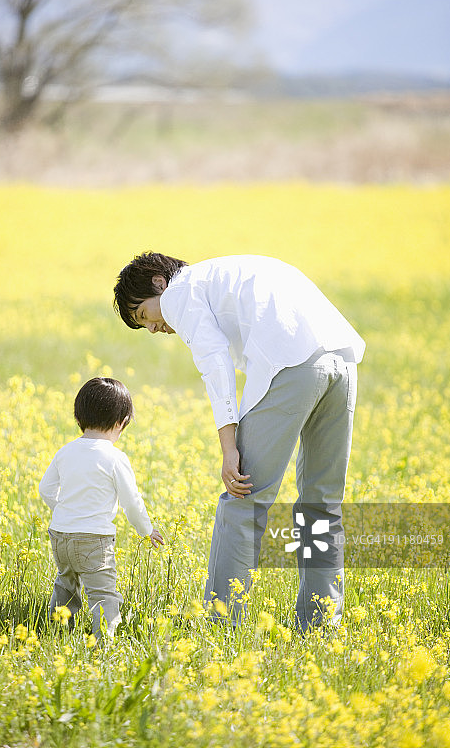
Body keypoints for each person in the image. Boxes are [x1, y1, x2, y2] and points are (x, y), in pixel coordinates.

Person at [113, 253, 365, 633]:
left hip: (292, 365)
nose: (152, 328)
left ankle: (221, 622)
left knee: (242, 499)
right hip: (341, 362)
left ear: (157, 283)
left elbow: (215, 364)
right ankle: (321, 624)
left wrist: (229, 448)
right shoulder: (223, 273)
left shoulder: (181, 292)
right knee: (322, 504)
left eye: (144, 315)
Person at [39, 376, 164, 642]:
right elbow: (131, 501)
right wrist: (147, 529)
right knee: (103, 595)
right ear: (120, 423)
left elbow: (45, 489)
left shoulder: (65, 451)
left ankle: (58, 635)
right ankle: (103, 642)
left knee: (65, 584)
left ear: (79, 417)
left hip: (60, 536)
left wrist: (65, 511)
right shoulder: (115, 457)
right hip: (93, 540)